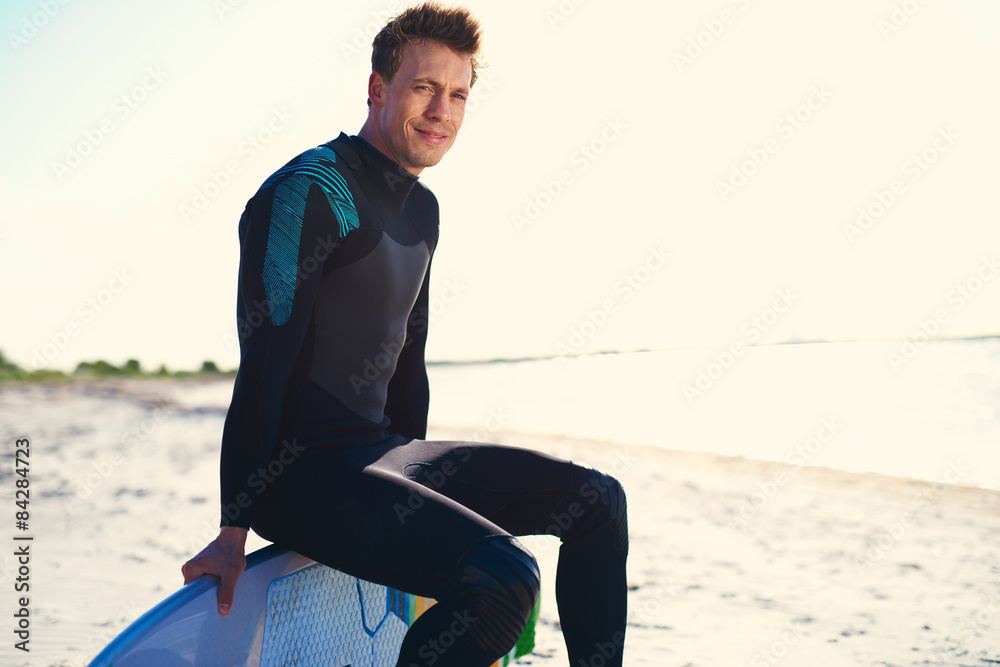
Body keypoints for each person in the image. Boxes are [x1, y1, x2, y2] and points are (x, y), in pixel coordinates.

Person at [180, 3, 628, 665]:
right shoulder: (310, 188)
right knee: (508, 579)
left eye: (457, 95)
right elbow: (264, 365)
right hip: (297, 476)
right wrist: (232, 528)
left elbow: (406, 364)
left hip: (383, 459)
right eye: (423, 88)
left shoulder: (423, 207)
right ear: (377, 89)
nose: (441, 110)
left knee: (597, 501)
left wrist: (418, 512)